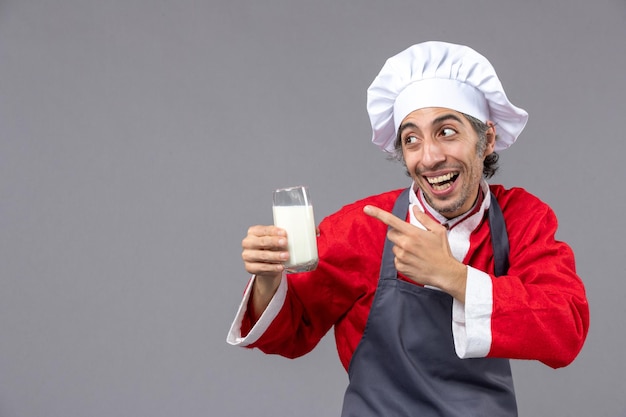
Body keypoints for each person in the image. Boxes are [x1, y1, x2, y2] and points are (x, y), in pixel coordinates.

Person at [226, 41, 590, 416]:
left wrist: (453, 276)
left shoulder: (520, 218)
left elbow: (566, 328)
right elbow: (290, 332)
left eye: (447, 132)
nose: (429, 157)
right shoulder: (363, 226)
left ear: (487, 140)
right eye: (411, 139)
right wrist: (268, 277)